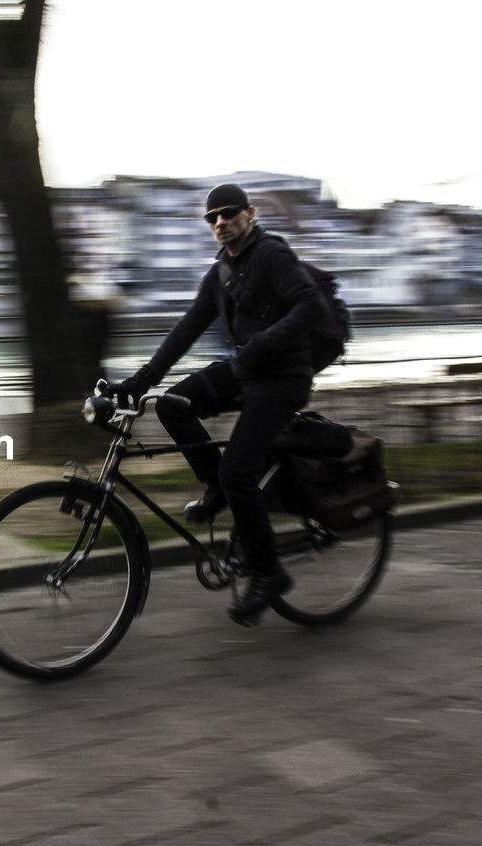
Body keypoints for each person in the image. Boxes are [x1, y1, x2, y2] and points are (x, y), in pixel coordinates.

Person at [109, 183, 327, 626]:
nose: (220, 222)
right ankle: (218, 488)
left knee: (239, 468)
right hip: (248, 369)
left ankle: (269, 574)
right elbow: (188, 327)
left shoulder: (270, 255)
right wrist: (140, 381)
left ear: (250, 213)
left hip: (283, 377)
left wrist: (263, 344)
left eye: (228, 214)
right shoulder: (221, 272)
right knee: (172, 404)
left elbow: (311, 305)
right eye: (212, 218)